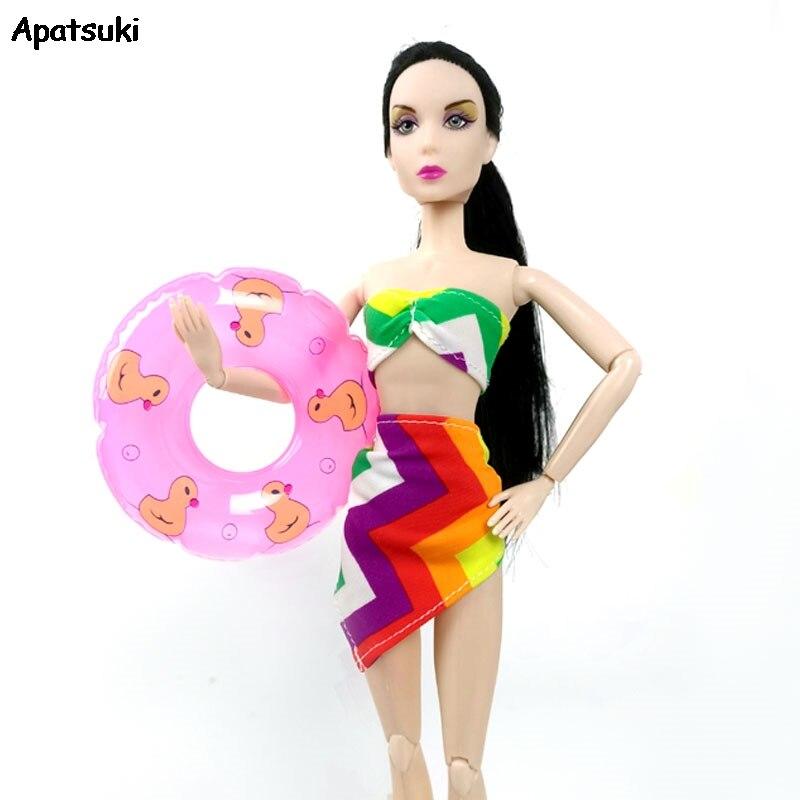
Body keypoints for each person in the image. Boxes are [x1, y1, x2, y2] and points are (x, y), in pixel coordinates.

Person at [170, 40, 641, 800]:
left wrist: (544, 480)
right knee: (400, 753)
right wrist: (218, 373)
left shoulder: (512, 278)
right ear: (387, 150)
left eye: (456, 120)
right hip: (377, 514)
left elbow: (623, 363)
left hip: (471, 515)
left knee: (465, 766)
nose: (428, 142)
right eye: (406, 123)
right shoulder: (372, 281)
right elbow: (307, 379)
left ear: (491, 141)